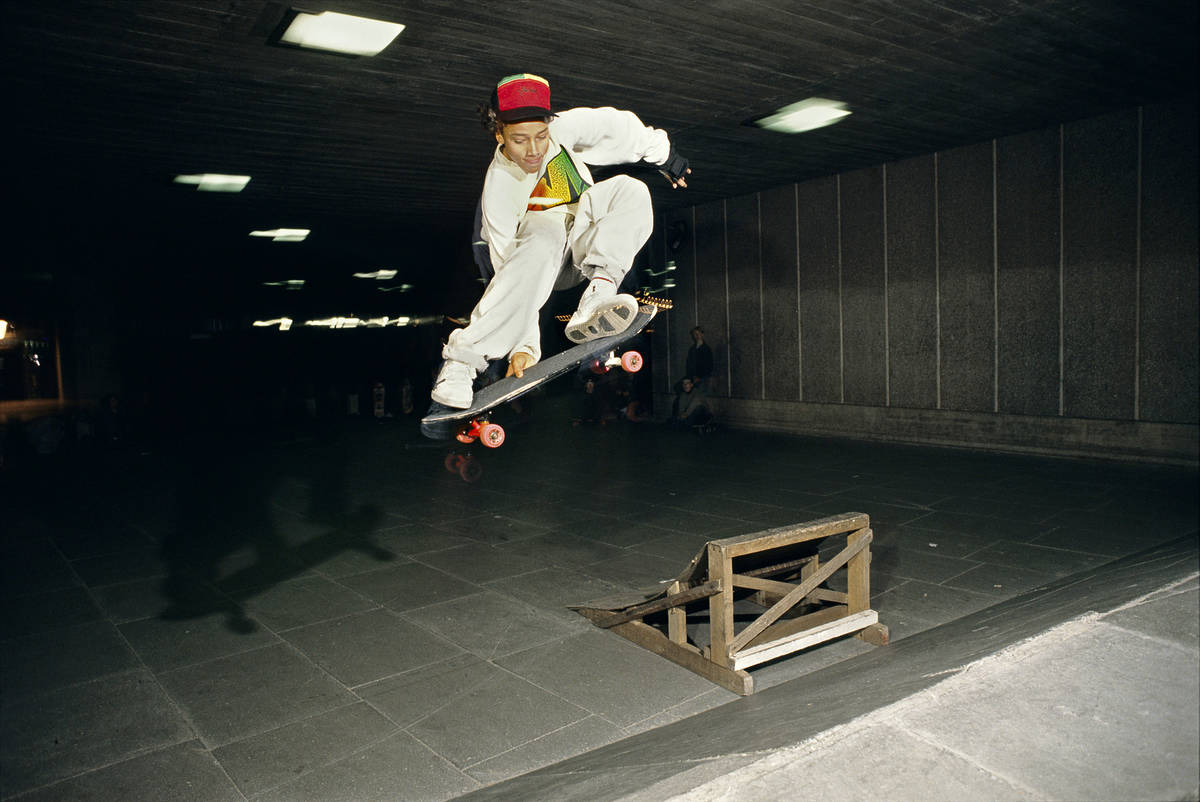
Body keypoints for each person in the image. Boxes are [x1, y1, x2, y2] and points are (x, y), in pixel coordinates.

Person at [430, 73, 691, 409]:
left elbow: (615, 127)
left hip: (586, 245)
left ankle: (598, 296)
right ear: (499, 133)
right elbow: (508, 275)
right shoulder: (499, 190)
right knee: (544, 231)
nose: (534, 150)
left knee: (631, 190)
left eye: (541, 136)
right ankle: (461, 365)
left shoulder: (563, 130)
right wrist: (525, 346)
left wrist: (663, 154)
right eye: (520, 140)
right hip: (545, 264)